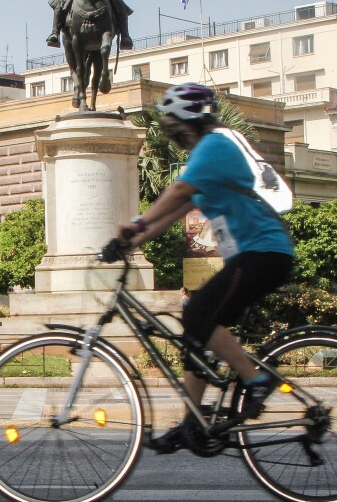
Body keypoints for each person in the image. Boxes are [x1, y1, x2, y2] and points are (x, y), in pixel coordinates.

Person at [113, 83, 294, 453]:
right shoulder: (203, 156)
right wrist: (128, 242)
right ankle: (192, 421)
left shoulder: (214, 146)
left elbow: (178, 193)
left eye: (173, 125)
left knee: (197, 313)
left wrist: (136, 224)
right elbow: (171, 215)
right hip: (251, 256)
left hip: (262, 252)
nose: (170, 134)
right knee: (195, 336)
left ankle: (255, 379)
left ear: (189, 121)